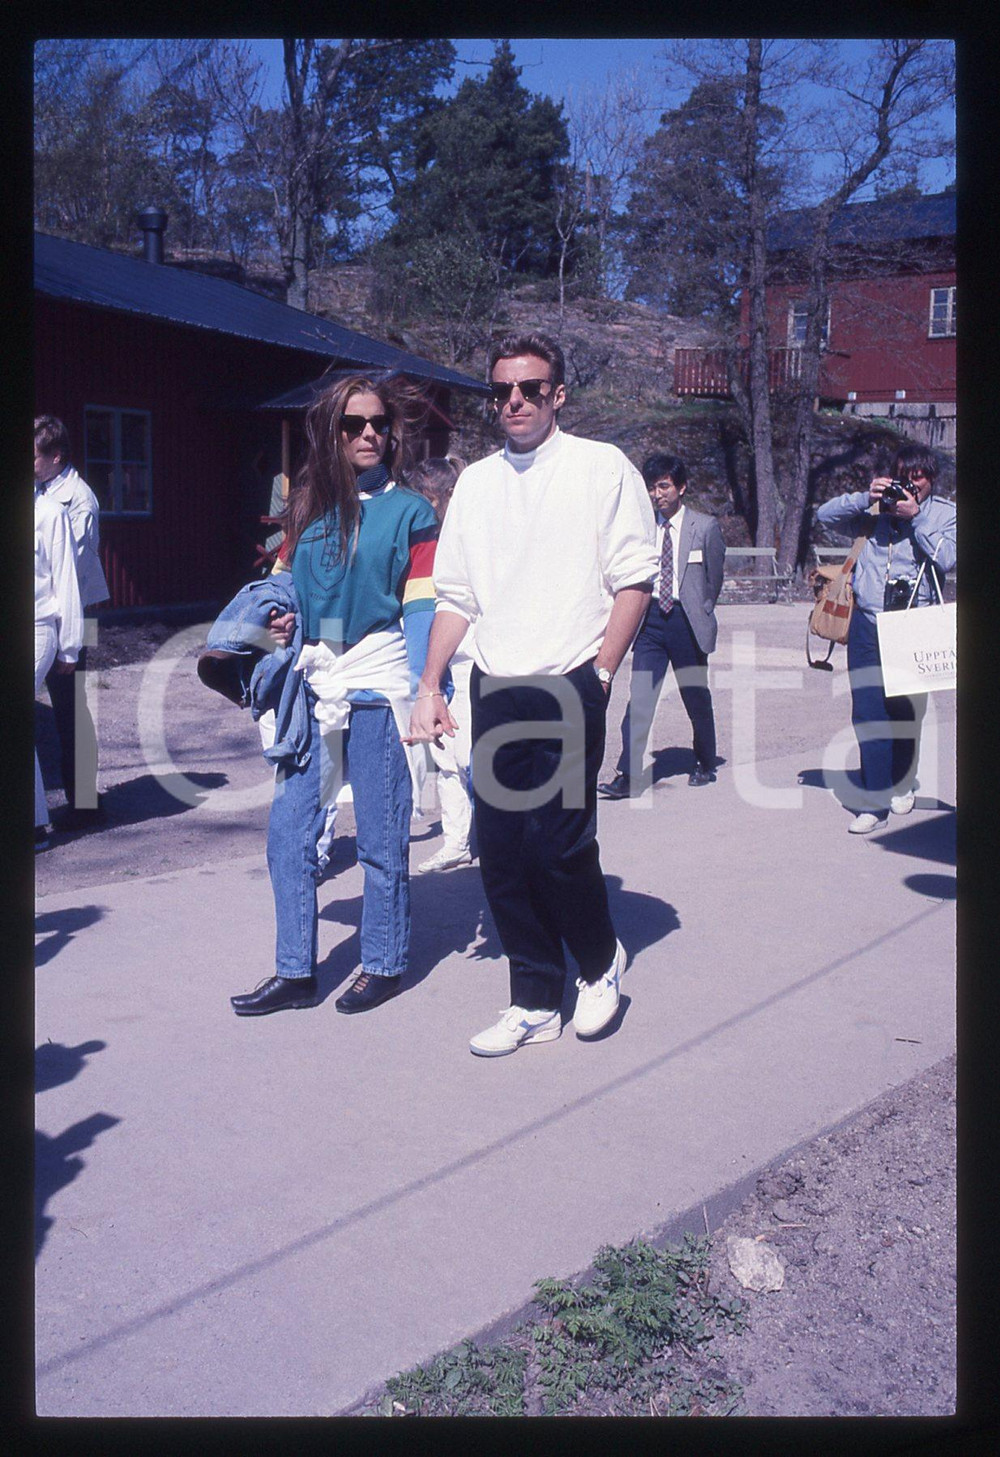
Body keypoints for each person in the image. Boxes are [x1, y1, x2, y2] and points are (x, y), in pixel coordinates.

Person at [407, 331, 658, 1056]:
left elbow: (634, 580)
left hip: (572, 677)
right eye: (502, 390)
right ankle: (533, 996)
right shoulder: (478, 484)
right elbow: (454, 596)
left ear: (558, 394)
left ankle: (598, 959)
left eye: (529, 388)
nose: (514, 400)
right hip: (497, 684)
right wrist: (430, 685)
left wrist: (601, 674)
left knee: (559, 841)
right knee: (503, 846)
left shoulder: (600, 468)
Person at [229, 372, 439, 1016]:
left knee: (379, 835)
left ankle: (382, 961)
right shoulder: (309, 509)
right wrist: (278, 623)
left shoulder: (412, 511)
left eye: (378, 424)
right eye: (354, 425)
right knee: (288, 834)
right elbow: (284, 588)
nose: (369, 434)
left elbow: (423, 603)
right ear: (333, 433)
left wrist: (428, 685)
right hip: (315, 684)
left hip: (379, 681)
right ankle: (295, 971)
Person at [815, 442, 956, 834]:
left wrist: (916, 519)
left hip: (915, 623)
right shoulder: (873, 511)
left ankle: (900, 780)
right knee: (868, 711)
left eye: (919, 478)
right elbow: (825, 515)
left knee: (906, 711)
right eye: (903, 477)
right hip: (869, 622)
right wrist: (867, 496)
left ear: (931, 479)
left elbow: (949, 558)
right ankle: (873, 803)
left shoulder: (944, 514)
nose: (911, 486)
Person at [599, 453, 725, 798]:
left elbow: (714, 579)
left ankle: (703, 759)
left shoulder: (705, 527)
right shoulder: (642, 526)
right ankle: (627, 772)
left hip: (687, 620)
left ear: (681, 487)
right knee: (640, 697)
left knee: (695, 695)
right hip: (650, 621)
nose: (658, 494)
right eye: (652, 487)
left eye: (665, 486)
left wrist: (701, 609)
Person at [34, 416, 110, 827]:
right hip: (51, 611)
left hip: (77, 612)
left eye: (32, 456)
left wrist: (70, 638)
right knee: (68, 706)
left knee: (72, 707)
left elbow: (70, 569)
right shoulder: (40, 491)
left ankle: (84, 803)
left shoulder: (78, 498)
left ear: (55, 456)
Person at [405, 455, 475, 873]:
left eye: (425, 499)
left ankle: (488, 834)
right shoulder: (425, 543)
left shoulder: (469, 536)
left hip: (473, 658)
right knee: (447, 754)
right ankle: (457, 839)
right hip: (440, 660)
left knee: (471, 755)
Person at [35, 486, 83, 849]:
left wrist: (70, 646)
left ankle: (34, 825)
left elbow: (67, 579)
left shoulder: (51, 511)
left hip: (37, 628)